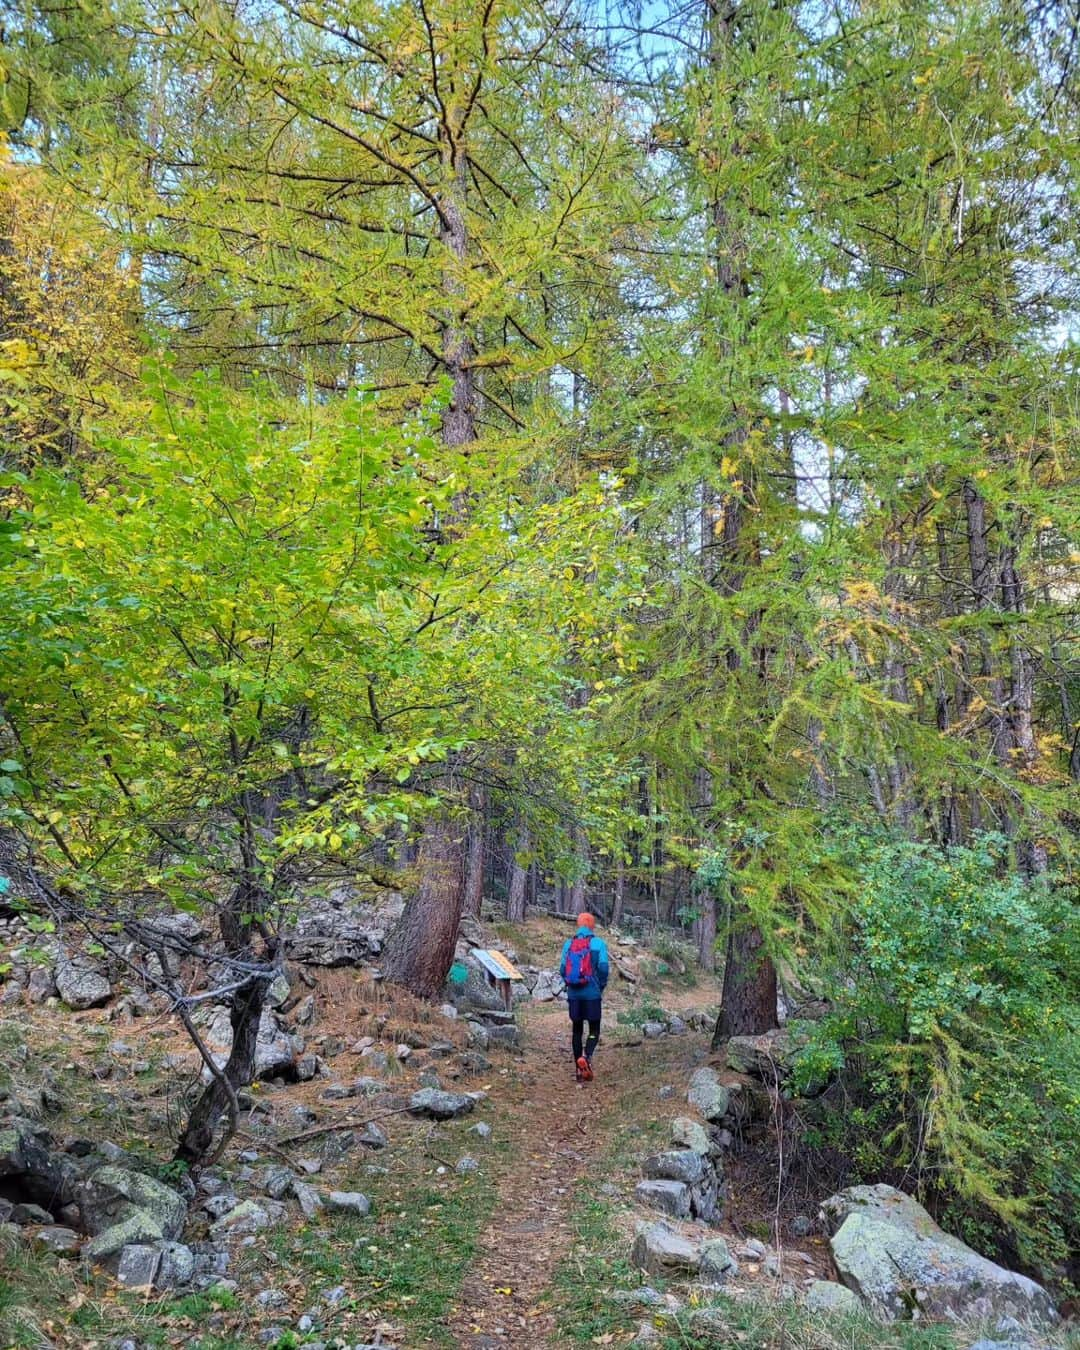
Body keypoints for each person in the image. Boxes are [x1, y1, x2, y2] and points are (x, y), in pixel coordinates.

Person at [559, 912, 609, 1082]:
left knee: (577, 1030)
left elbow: (562, 969)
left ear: (579, 925)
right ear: (592, 925)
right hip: (592, 994)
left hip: (574, 994)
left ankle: (578, 1071)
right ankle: (586, 1057)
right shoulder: (599, 943)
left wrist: (570, 985)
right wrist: (601, 985)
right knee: (594, 1030)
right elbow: (603, 968)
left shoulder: (569, 944)